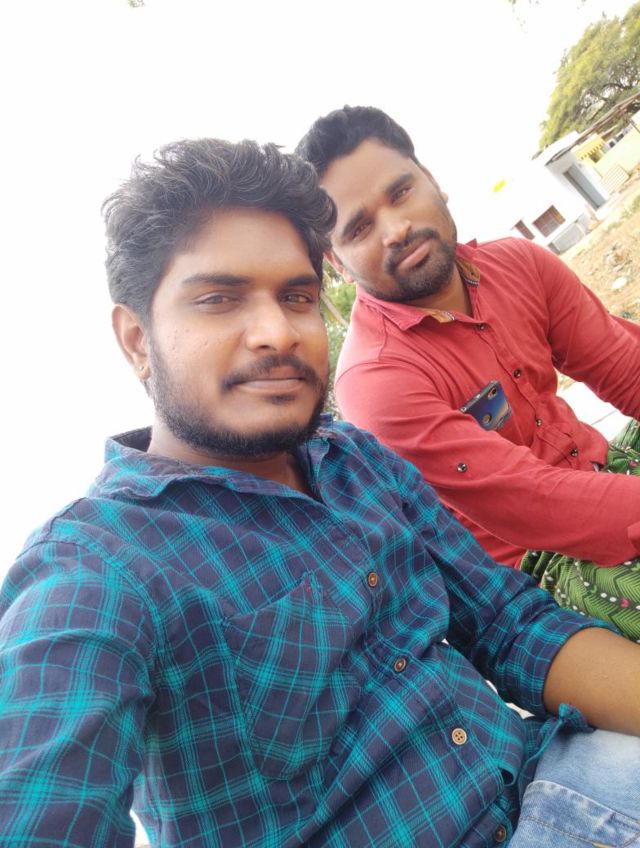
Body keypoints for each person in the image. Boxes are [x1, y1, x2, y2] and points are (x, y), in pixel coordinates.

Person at [2, 138, 640, 848]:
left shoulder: (354, 462)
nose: (276, 332)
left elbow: (508, 626)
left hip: (556, 778)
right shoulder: (98, 567)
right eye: (218, 300)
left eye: (296, 297)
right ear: (136, 341)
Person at [296, 105, 640, 637]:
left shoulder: (520, 264)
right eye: (360, 227)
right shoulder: (376, 379)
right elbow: (533, 504)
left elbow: (625, 370)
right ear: (337, 262)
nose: (396, 229)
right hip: (538, 568)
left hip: (605, 471)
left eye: (401, 192)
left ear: (432, 180)